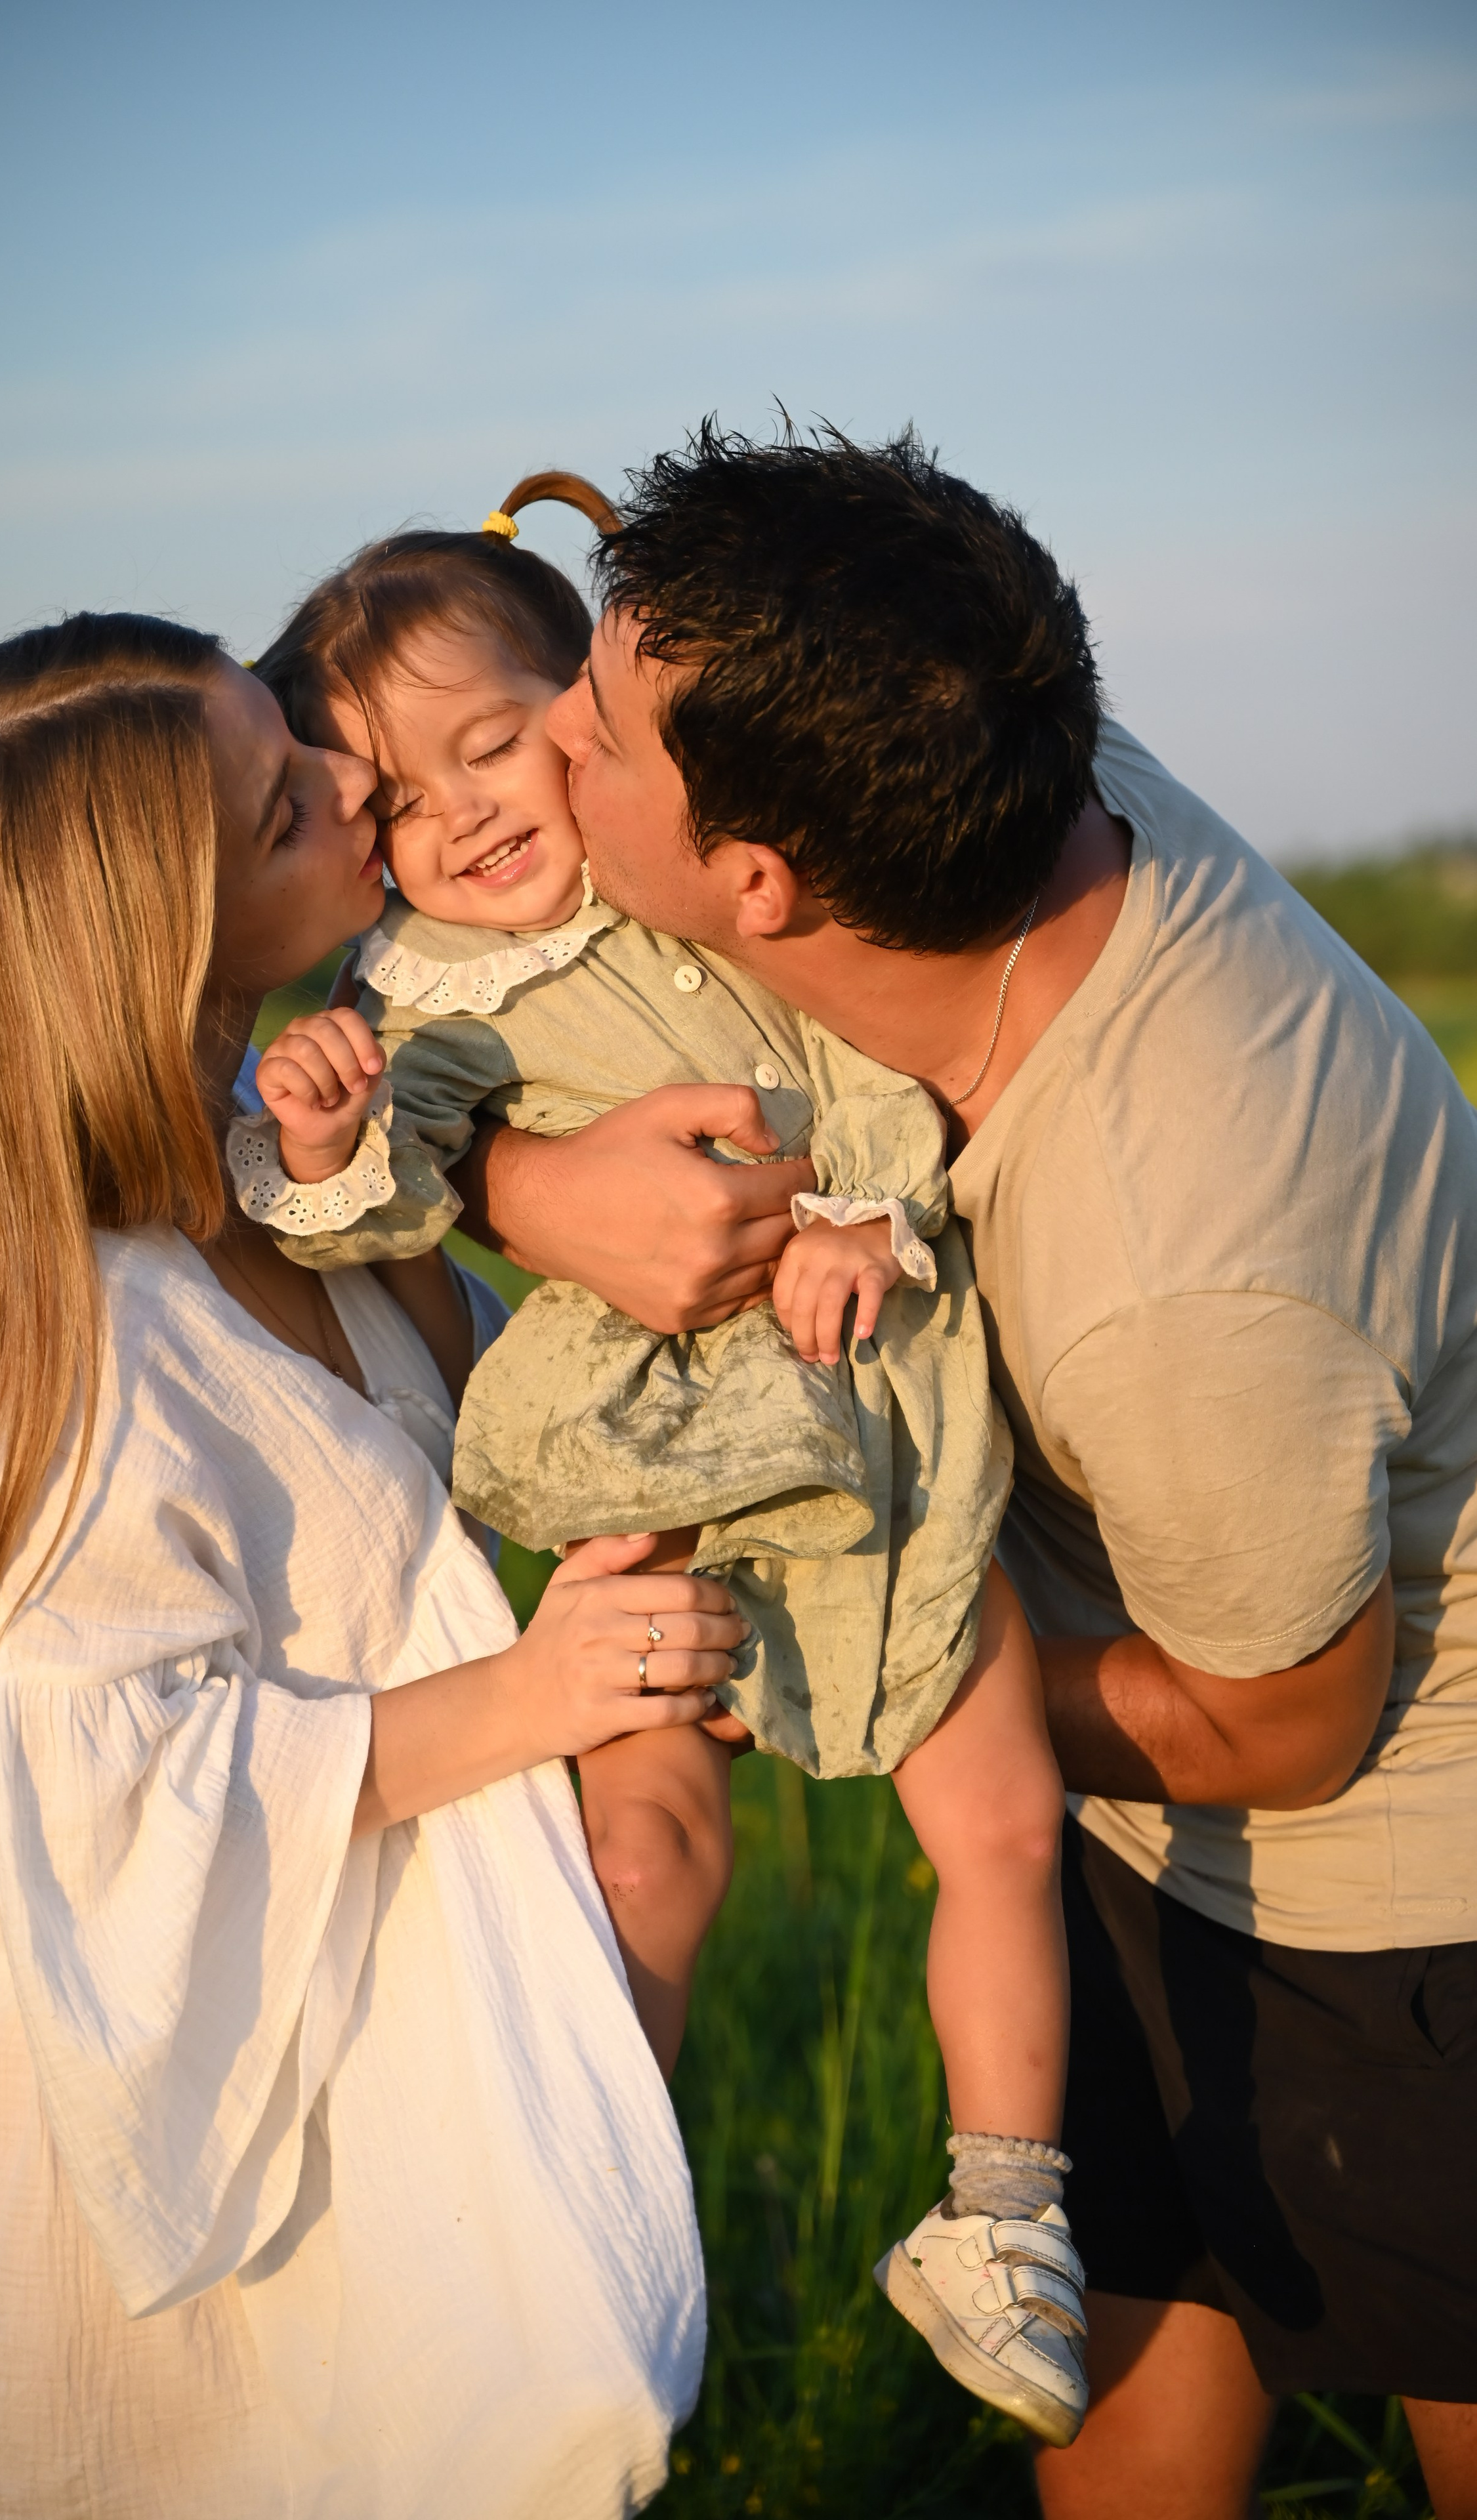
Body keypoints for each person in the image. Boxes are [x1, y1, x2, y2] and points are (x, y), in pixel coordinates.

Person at [453, 425, 1477, 2520]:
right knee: (1123, 2411)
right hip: (1121, 1819)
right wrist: (519, 1177)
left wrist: (817, 1662)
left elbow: (1292, 1722)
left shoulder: (1183, 1258)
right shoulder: (972, 757)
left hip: (1410, 1903)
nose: (546, 745)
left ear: (760, 888)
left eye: (597, 728)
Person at [0, 610, 750, 2519]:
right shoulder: (60, 1355)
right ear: (148, 934)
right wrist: (539, 1696)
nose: (349, 784)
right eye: (279, 806)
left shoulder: (274, 1175)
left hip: (344, 1999)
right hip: (140, 2117)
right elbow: (115, 1793)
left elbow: (508, 1411)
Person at [231, 485, 1090, 2445]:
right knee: (640, 1851)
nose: (455, 812)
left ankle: (1004, 2213)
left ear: (596, 712)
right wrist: (318, 1130)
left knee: (1002, 1821)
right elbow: (376, 1205)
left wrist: (872, 1204)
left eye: (491, 740)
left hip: (882, 1427)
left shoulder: (708, 875)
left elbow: (878, 1030)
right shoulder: (408, 1008)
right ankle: (566, 2204)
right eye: (389, 795)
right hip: (659, 1462)